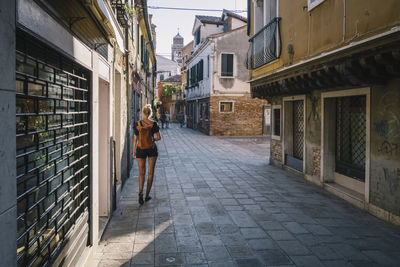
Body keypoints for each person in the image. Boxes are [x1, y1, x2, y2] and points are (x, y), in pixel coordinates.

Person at [133, 104, 161, 205]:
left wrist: (134, 152)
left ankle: (140, 193)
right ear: (150, 113)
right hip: (152, 149)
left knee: (141, 173)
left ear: (143, 113)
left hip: (140, 149)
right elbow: (159, 137)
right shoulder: (154, 124)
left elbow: (135, 139)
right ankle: (147, 195)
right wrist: (152, 139)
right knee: (150, 173)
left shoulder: (138, 124)